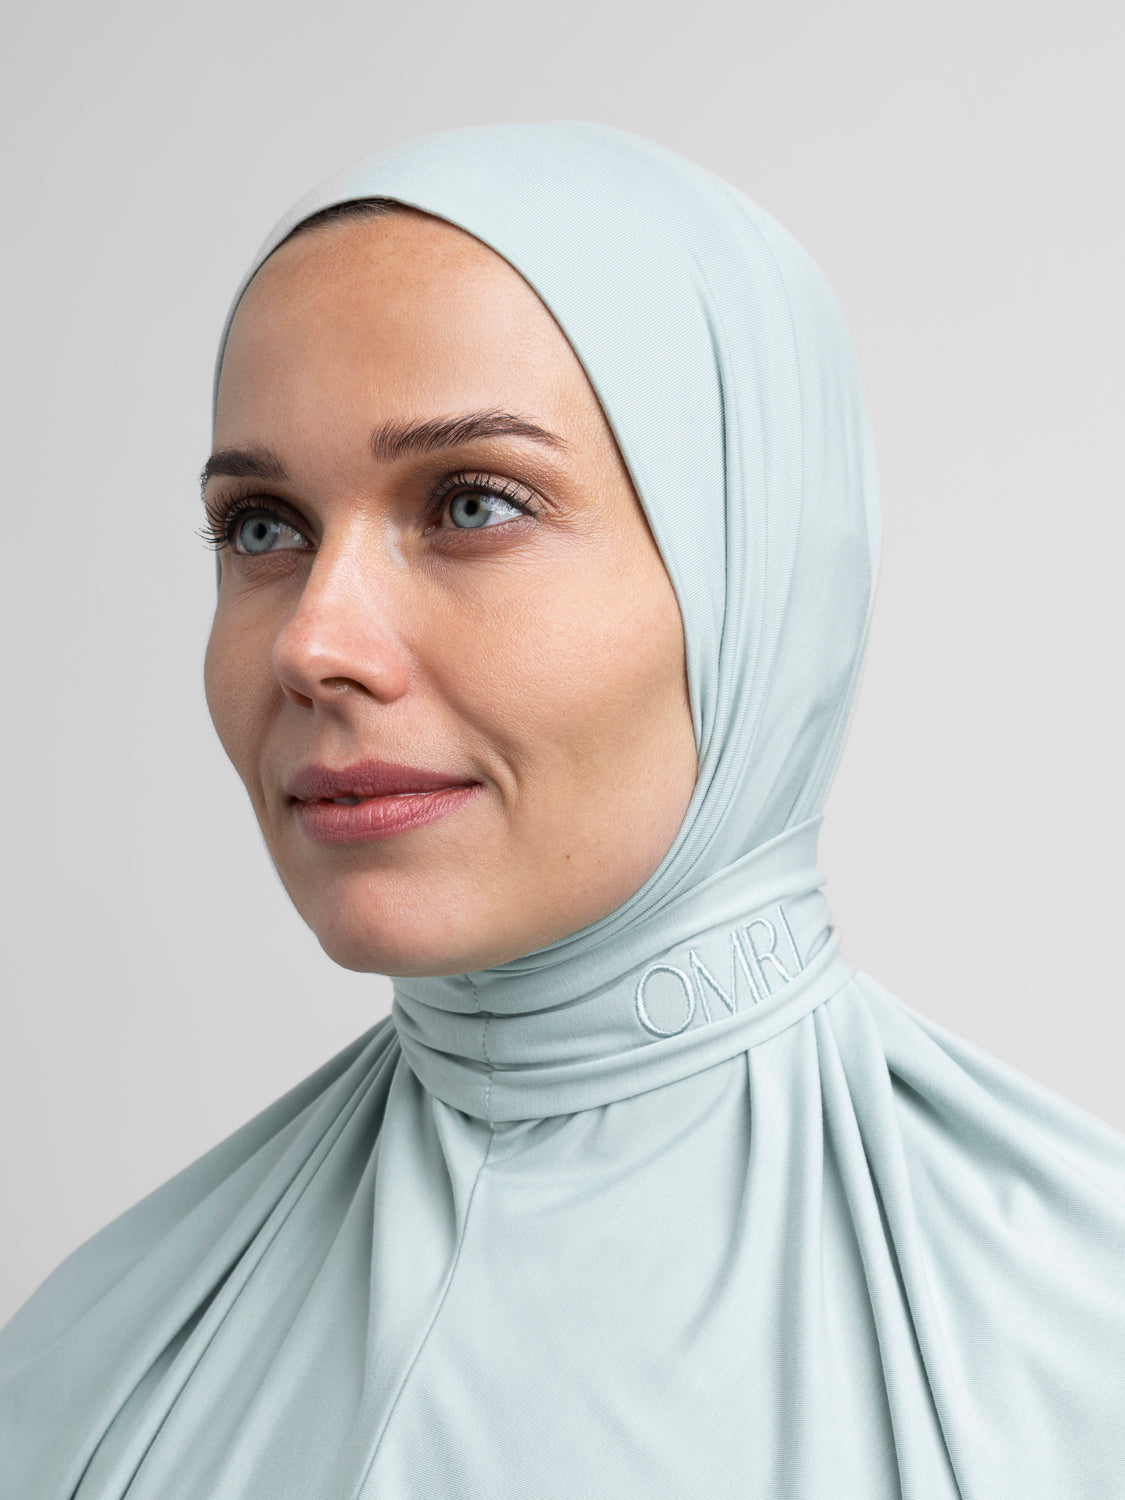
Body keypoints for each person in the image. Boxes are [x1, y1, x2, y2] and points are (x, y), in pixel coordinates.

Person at [1, 122, 1123, 1500]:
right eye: (263, 527)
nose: (312, 643)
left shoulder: (1081, 1359)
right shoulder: (93, 1372)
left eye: (471, 504)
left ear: (750, 567)